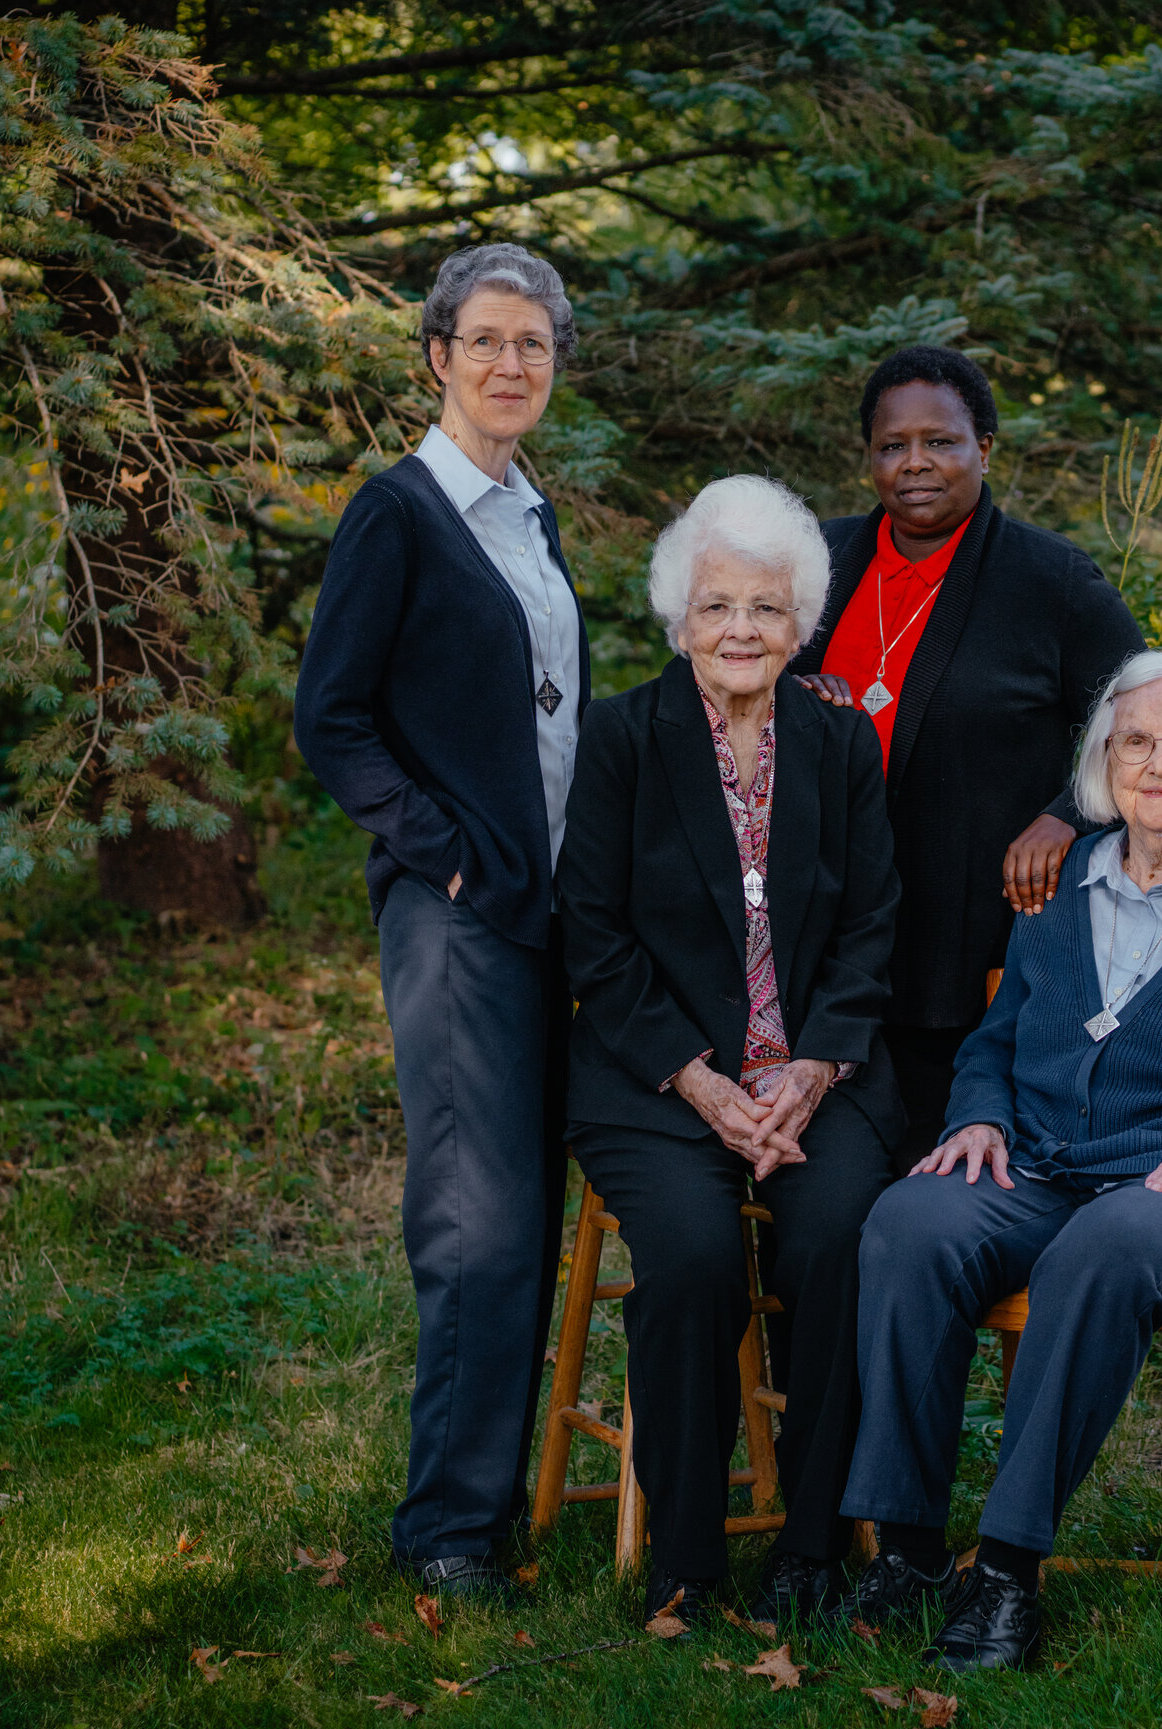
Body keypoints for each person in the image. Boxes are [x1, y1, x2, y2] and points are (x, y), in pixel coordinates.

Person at [838, 649, 1162, 1670]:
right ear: (1103, 763)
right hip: (1045, 1168)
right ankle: (905, 1550)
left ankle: (1004, 1574)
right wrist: (981, 1113)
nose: (1160, 763)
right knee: (910, 1220)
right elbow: (997, 1042)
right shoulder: (1061, 889)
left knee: (1108, 1240)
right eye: (1137, 740)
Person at [559, 475, 904, 1631]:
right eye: (716, 608)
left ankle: (813, 1548)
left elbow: (872, 923)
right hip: (657, 1079)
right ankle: (687, 1558)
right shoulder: (622, 738)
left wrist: (811, 1073)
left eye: (765, 608)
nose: (741, 631)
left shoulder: (840, 740)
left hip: (821, 1078)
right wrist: (704, 1083)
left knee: (841, 1242)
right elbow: (593, 939)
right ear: (677, 621)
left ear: (799, 623)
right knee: (700, 1259)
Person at [295, 244, 587, 1602]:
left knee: (525, 1206)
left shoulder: (529, 518)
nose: (510, 364)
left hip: (547, 917)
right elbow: (333, 720)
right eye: (487, 341)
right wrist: (444, 855)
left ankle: (486, 1502)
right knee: (476, 1220)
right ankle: (448, 1534)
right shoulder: (400, 514)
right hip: (456, 920)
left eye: (533, 344)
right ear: (437, 355)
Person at [792, 344, 1145, 1171]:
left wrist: (1068, 815)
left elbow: (1141, 721)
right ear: (869, 457)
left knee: (925, 1169)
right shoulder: (813, 561)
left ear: (984, 447)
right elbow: (731, 680)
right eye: (891, 445)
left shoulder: (1050, 577)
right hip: (817, 933)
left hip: (960, 943)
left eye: (940, 441)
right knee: (817, 1184)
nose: (914, 463)